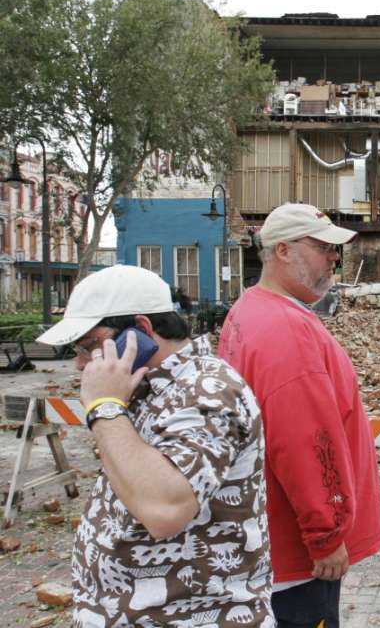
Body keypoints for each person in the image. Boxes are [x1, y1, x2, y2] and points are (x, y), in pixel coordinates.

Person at [37, 265, 273, 627]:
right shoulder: (148, 385)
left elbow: (164, 509)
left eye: (89, 347)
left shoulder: (207, 391)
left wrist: (104, 409)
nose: (81, 364)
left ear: (142, 331)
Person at [219, 203, 380, 628]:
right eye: (322, 247)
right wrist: (326, 535)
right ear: (283, 251)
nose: (334, 258)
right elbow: (304, 442)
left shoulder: (248, 310)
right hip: (296, 560)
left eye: (335, 249)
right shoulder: (286, 329)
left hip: (266, 542)